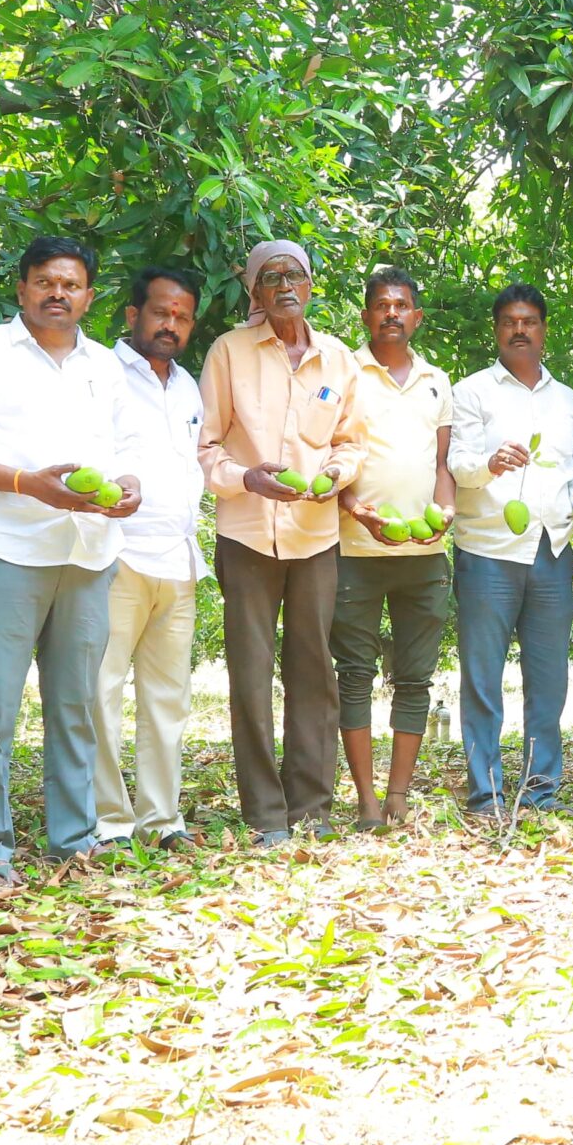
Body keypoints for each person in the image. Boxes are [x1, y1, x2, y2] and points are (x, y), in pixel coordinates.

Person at [0, 235, 143, 896]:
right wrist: (29, 484)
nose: (58, 293)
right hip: (12, 552)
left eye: (72, 284)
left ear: (88, 296)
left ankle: (73, 840)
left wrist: (130, 485)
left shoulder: (106, 366)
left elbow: (126, 444)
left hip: (88, 554)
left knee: (76, 705)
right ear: (21, 289)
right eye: (45, 282)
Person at [199, 242, 367, 844]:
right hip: (246, 533)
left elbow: (350, 443)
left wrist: (333, 477)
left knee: (313, 671)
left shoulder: (339, 361)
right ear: (256, 294)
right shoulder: (229, 352)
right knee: (249, 674)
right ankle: (266, 813)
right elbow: (206, 445)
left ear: (311, 285)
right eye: (270, 278)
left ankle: (312, 808)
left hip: (315, 535)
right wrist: (245, 478)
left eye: (294, 274)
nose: (284, 286)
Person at [447, 284, 573, 816]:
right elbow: (458, 464)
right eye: (509, 321)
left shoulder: (569, 401)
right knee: (482, 678)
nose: (519, 329)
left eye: (529, 321)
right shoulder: (473, 392)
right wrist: (490, 462)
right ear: (497, 330)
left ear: (544, 330)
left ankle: (542, 787)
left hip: (553, 550)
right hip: (488, 551)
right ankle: (486, 792)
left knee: (548, 680)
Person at [94, 268, 209, 854]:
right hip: (117, 557)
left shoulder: (188, 386)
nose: (171, 325)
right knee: (102, 694)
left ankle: (162, 821)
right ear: (132, 313)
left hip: (179, 561)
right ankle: (109, 825)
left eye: (183, 317)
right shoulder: (99, 371)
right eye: (161, 312)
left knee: (169, 701)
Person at [335, 267, 454, 829]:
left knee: (414, 678)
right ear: (365, 316)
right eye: (381, 305)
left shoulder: (437, 380)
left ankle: (399, 794)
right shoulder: (344, 373)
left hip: (423, 558)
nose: (391, 313)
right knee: (353, 675)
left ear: (416, 317)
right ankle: (363, 798)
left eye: (401, 305)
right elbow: (329, 452)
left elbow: (441, 466)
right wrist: (355, 508)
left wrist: (446, 513)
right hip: (353, 552)